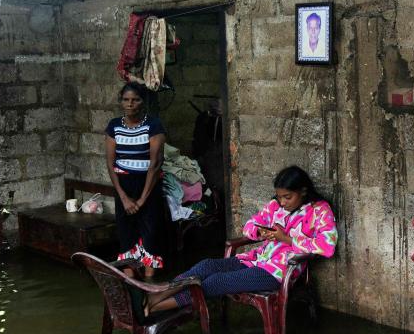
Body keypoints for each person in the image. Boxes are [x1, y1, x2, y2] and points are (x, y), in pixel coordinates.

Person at [145, 165, 337, 313]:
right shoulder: (275, 206)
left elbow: (327, 246)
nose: (282, 203)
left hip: (278, 271)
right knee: (206, 266)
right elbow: (249, 226)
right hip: (256, 260)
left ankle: (154, 307)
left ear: (302, 191)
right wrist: (260, 232)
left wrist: (286, 239)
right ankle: (156, 296)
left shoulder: (319, 210)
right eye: (279, 197)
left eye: (287, 197)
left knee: (214, 282)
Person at [105, 82, 167, 280]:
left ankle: (149, 284)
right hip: (124, 187)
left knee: (150, 234)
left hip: (148, 187)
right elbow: (110, 163)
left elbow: (155, 164)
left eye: (135, 100)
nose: (130, 104)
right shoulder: (114, 126)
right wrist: (124, 198)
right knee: (126, 235)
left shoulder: (154, 125)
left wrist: (141, 200)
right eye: (126, 100)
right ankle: (130, 283)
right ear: (121, 102)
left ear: (143, 102)